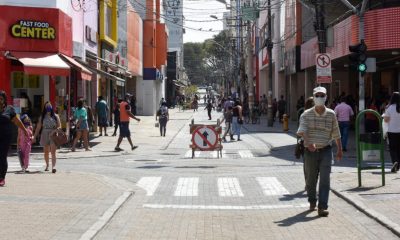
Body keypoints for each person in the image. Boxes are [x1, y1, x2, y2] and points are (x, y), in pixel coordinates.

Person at [297, 86, 342, 217]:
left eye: (322, 95)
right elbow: (302, 130)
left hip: (326, 150)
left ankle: (322, 206)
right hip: (310, 151)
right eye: (317, 96)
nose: (319, 98)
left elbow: (336, 133)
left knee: (325, 180)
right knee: (311, 180)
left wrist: (339, 149)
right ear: (313, 97)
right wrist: (309, 142)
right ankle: (312, 201)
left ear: (326, 97)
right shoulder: (306, 114)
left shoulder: (331, 114)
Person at [0, 90, 28, 186]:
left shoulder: (9, 109)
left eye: (1, 99)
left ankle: (2, 178)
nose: (0, 100)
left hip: (5, 137)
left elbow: (17, 121)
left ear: (4, 100)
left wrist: (24, 130)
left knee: (2, 156)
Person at [33, 102, 61, 173]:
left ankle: (53, 167)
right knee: (46, 152)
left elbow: (59, 126)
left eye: (49, 106)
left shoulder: (55, 116)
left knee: (53, 151)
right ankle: (47, 165)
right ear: (45, 108)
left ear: (51, 107)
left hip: (53, 134)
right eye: (47, 106)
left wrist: (54, 131)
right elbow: (38, 127)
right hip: (44, 134)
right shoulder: (42, 117)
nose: (48, 107)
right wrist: (34, 136)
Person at [383, 92, 400, 173]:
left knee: (392, 148)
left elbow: (386, 120)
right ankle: (398, 165)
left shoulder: (389, 108)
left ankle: (395, 162)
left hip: (392, 131)